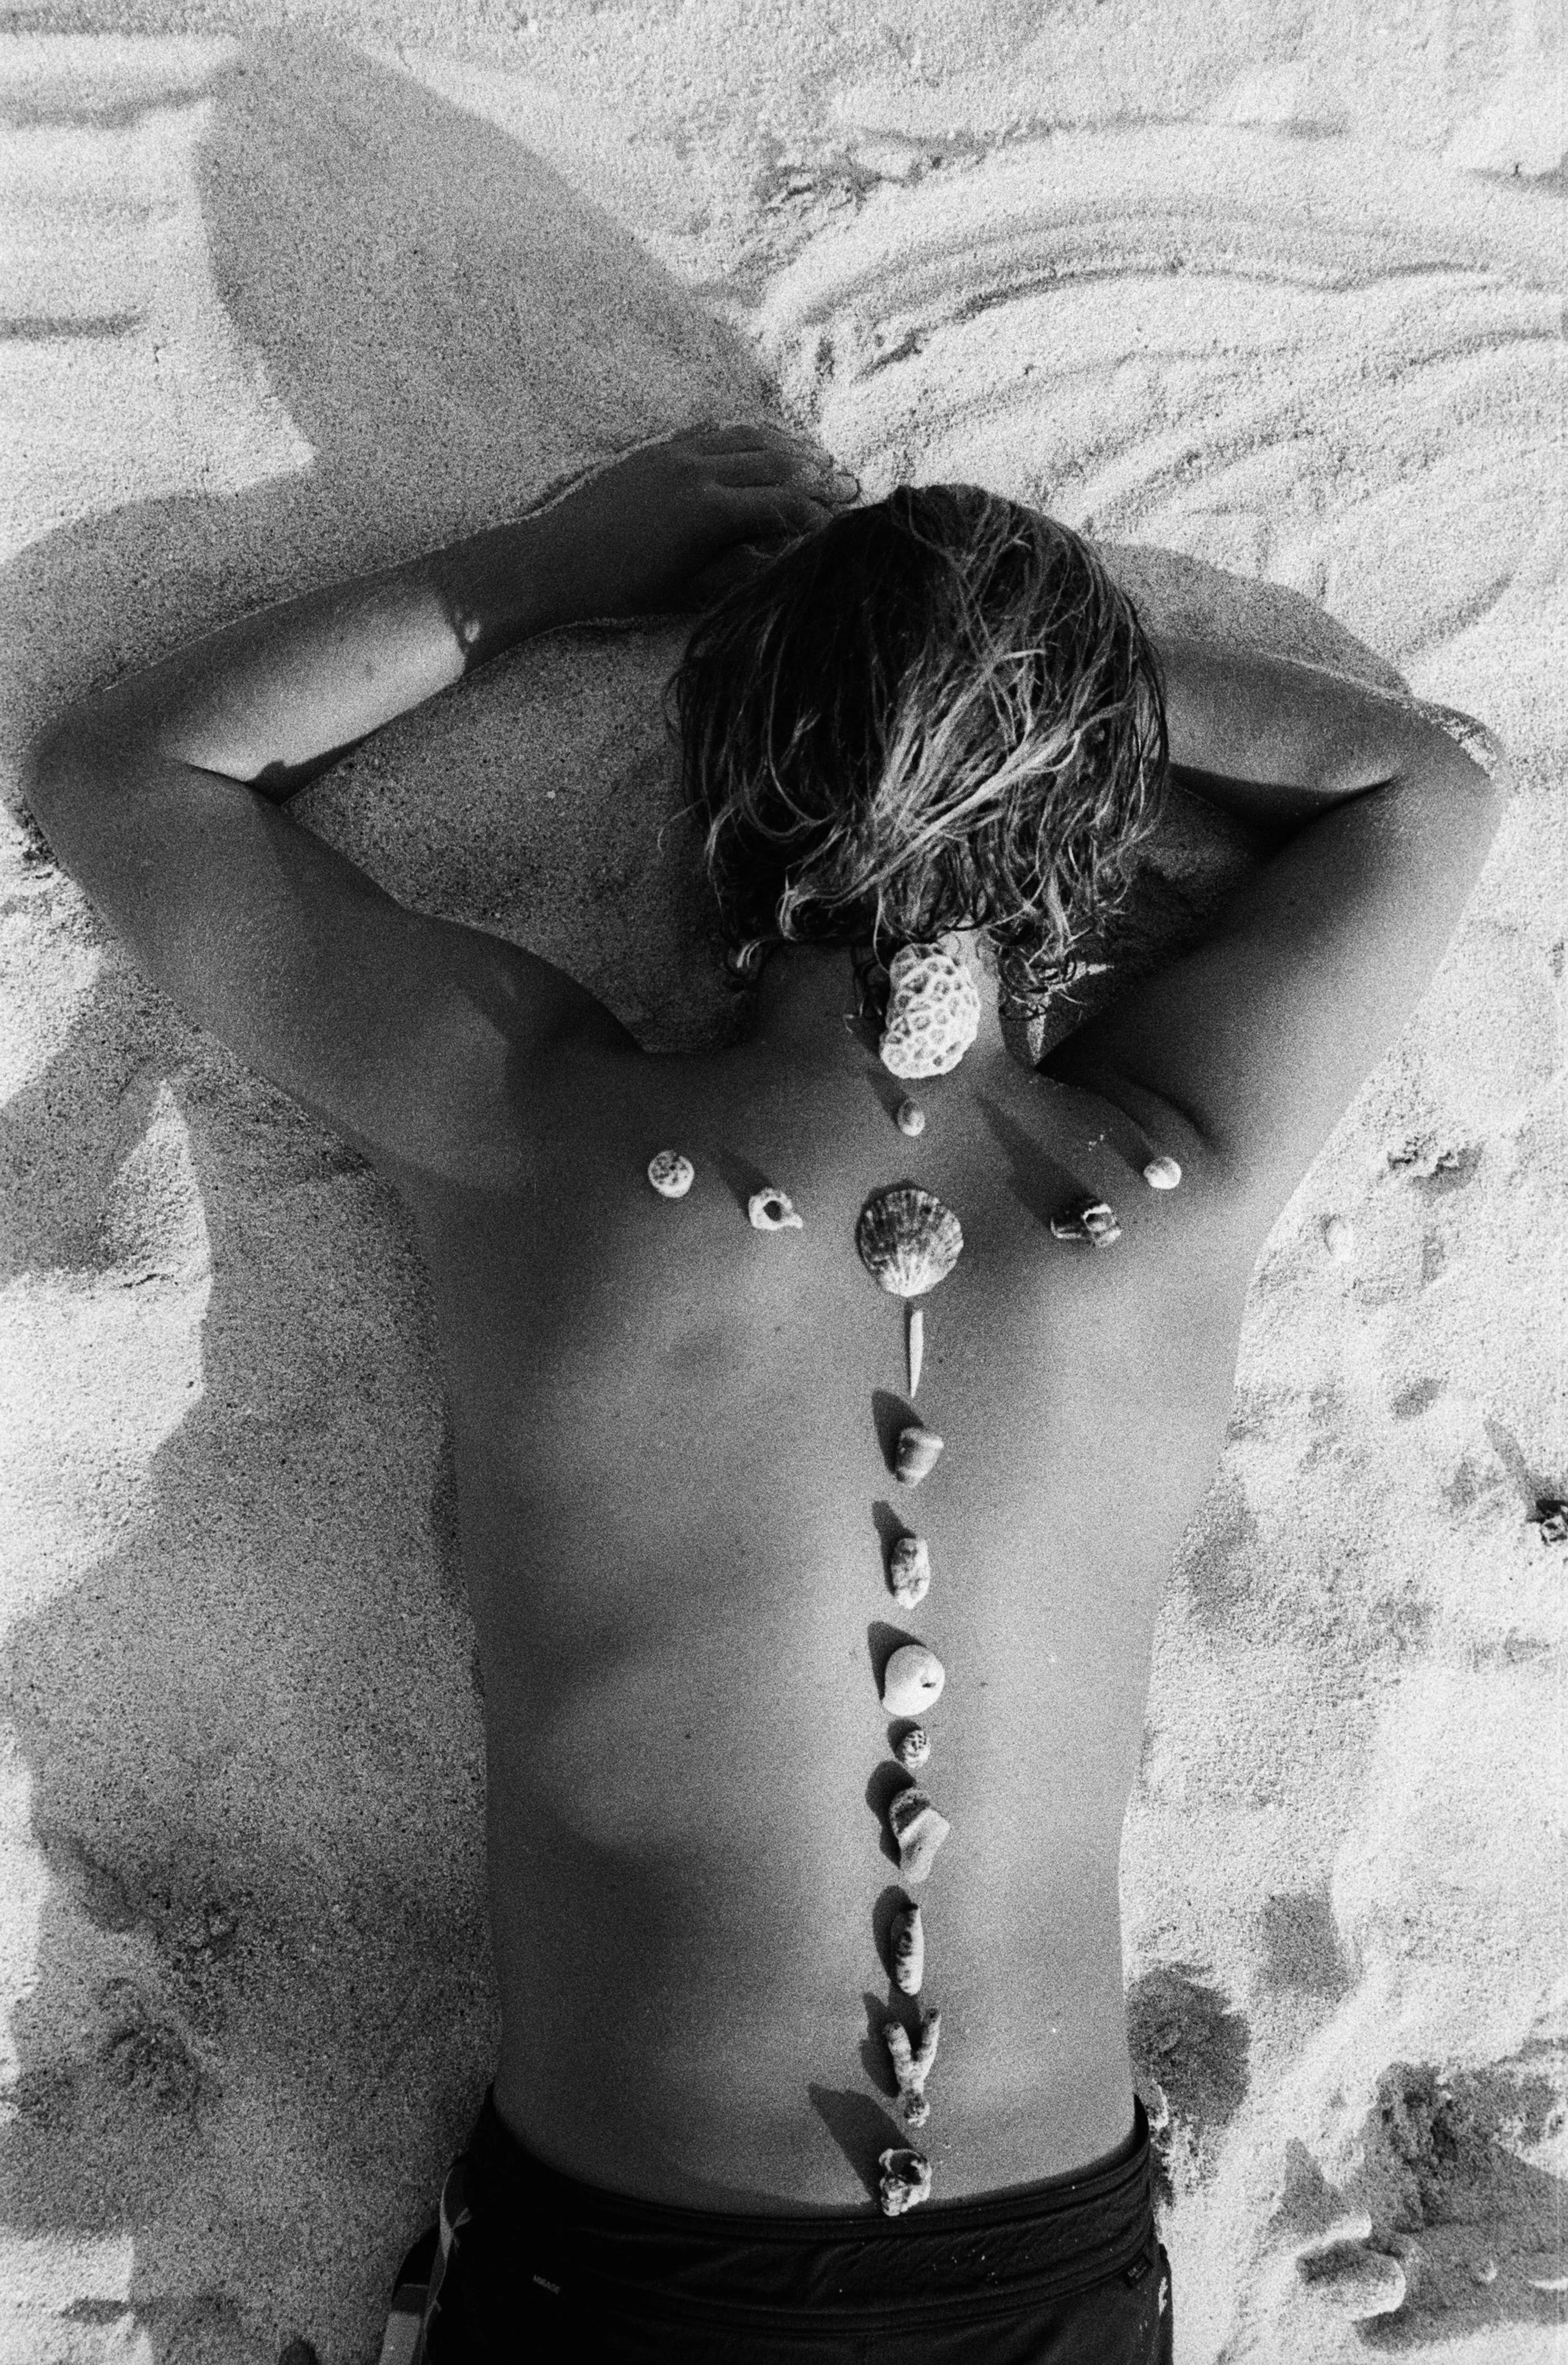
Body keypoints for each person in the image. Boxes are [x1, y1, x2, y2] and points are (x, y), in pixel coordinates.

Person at [24, 421, 1503, 2363]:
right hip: (1038, 2261)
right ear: (1087, 812)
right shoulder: (1164, 1180)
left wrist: (546, 567)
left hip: (643, 2267)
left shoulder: (545, 1133)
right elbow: (1424, 782)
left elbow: (130, 774)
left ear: (710, 807)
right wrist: (983, 693)